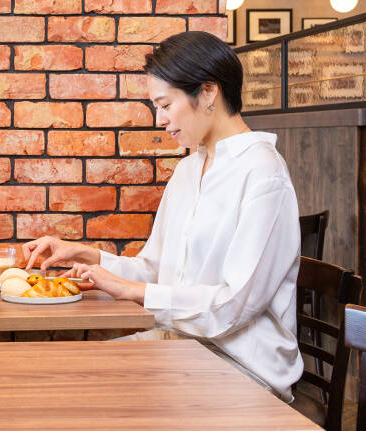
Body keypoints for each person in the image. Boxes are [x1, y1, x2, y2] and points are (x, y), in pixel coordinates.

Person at [23, 31, 303, 402]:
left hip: (242, 371)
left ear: (207, 92)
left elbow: (233, 306)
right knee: (68, 377)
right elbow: (157, 272)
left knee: (92, 398)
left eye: (165, 105)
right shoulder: (189, 170)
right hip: (180, 349)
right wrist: (90, 258)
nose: (159, 120)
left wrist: (134, 291)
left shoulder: (263, 173)